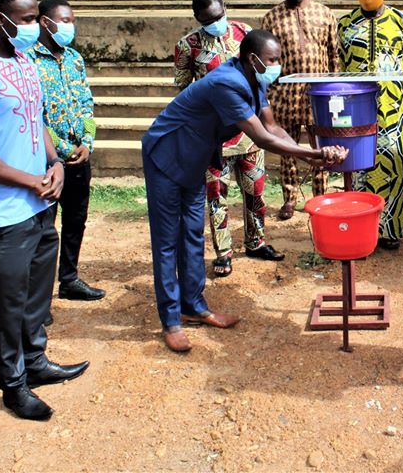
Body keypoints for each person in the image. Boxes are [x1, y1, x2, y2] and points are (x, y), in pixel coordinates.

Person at [144, 30, 347, 352]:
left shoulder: (254, 80)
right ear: (253, 59)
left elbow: (273, 127)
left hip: (195, 158)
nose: (277, 66)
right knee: (169, 240)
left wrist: (312, 153)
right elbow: (263, 139)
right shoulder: (226, 83)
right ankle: (170, 320)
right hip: (166, 157)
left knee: (194, 234)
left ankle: (193, 306)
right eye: (272, 60)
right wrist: (315, 156)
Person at [0, 0, 89, 421]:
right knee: (9, 300)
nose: (35, 27)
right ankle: (13, 386)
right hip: (6, 210)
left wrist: (54, 164)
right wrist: (31, 180)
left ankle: (35, 362)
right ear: (1, 20)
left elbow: (38, 120)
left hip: (40, 201)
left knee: (36, 294)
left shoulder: (27, 62)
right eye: (29, 19)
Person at [175, 0, 283, 278]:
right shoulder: (188, 46)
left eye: (220, 15)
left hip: (249, 132)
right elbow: (184, 88)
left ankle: (256, 241)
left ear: (226, 7)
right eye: (209, 19)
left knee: (256, 191)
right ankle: (223, 253)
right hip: (215, 138)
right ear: (198, 18)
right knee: (216, 197)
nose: (217, 22)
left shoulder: (245, 33)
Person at [27, 0, 105, 303]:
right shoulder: (28, 61)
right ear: (46, 23)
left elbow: (87, 103)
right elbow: (34, 114)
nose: (70, 26)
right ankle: (38, 298)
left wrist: (87, 142)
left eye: (72, 20)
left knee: (76, 219)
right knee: (44, 229)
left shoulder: (74, 58)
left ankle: (69, 279)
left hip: (79, 156)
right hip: (45, 160)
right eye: (65, 20)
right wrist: (60, 149)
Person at [337, 0, 403, 250]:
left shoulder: (402, 22)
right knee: (359, 167)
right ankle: (360, 227)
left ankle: (391, 230)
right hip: (357, 106)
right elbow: (343, 64)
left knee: (393, 166)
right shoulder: (345, 24)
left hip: (394, 106)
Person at [261, 0, 339, 221]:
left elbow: (334, 55)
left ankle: (320, 198)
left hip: (318, 96)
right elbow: (265, 60)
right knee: (287, 150)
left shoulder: (324, 14)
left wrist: (334, 89)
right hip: (285, 96)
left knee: (321, 149)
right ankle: (290, 199)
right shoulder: (272, 18)